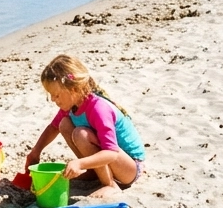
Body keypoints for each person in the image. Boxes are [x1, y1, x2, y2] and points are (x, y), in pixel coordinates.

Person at [25, 54, 146, 199]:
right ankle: (94, 172)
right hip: (110, 160)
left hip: (130, 167)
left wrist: (80, 163)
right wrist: (35, 152)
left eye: (56, 95)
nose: (52, 100)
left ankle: (110, 184)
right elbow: (53, 128)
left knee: (81, 134)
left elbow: (112, 153)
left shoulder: (98, 108)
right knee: (64, 124)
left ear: (74, 89)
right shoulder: (71, 106)